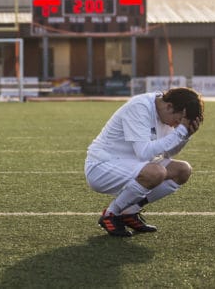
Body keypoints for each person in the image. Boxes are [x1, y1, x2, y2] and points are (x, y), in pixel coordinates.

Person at [84, 87, 204, 237]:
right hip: (102, 166)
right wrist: (180, 132)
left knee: (183, 170)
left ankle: (130, 211)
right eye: (178, 121)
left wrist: (185, 136)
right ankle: (111, 214)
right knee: (156, 173)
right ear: (169, 106)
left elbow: (167, 153)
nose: (175, 126)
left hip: (132, 164)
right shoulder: (140, 107)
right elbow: (144, 153)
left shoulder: (166, 113)